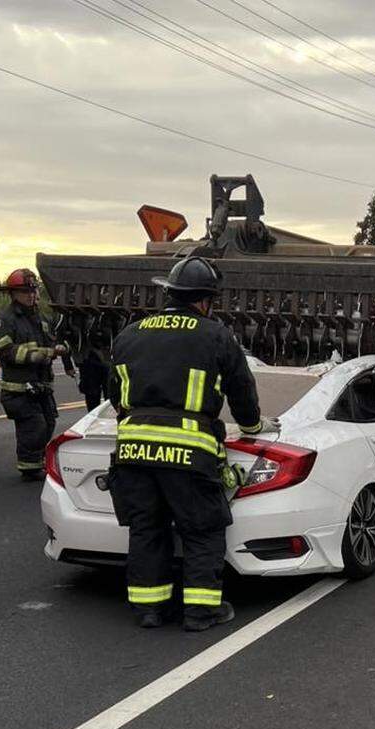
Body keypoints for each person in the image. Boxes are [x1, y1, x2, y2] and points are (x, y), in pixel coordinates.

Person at [107, 253, 278, 631]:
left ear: (170, 293)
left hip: (132, 450)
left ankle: (150, 609)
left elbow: (115, 394)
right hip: (188, 453)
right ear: (204, 300)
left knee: (147, 529)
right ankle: (201, 612)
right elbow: (241, 392)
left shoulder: (129, 334)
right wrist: (251, 426)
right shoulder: (216, 335)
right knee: (202, 529)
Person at [0, 268, 75, 480]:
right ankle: (29, 469)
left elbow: (51, 342)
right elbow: (5, 351)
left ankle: (36, 462)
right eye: (24, 291)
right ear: (12, 293)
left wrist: (61, 347)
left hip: (41, 386)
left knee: (48, 423)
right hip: (19, 390)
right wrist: (41, 354)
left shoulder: (40, 318)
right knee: (33, 426)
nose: (31, 295)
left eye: (32, 290)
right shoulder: (5, 320)